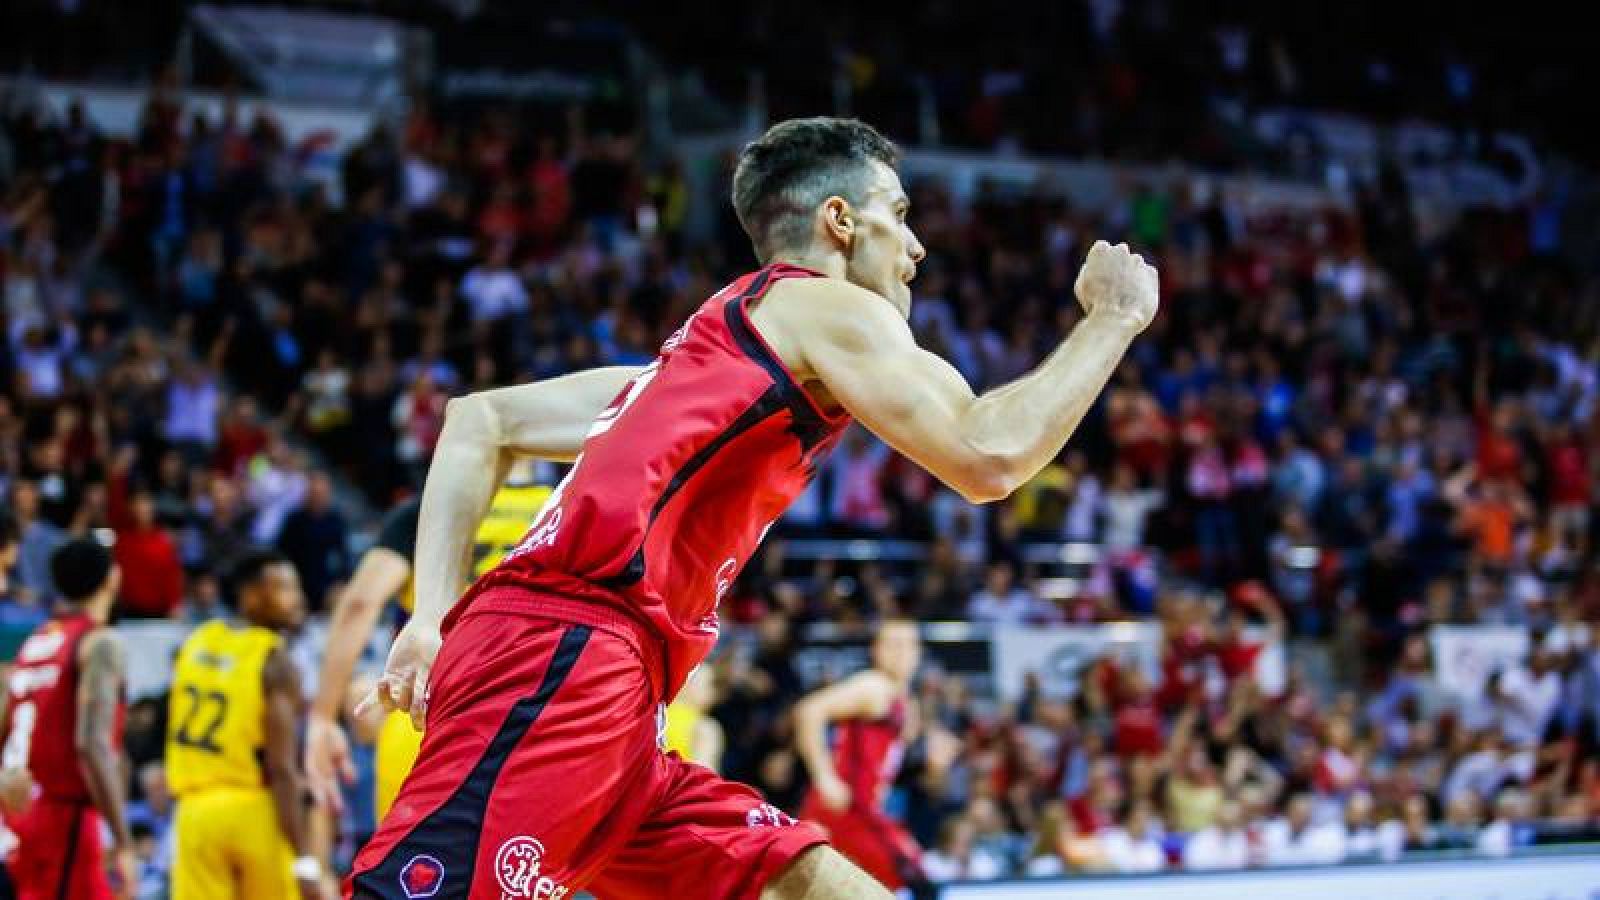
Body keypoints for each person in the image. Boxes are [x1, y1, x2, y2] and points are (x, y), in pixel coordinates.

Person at [350, 116, 1158, 899]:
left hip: (621, 697)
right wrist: (1113, 320)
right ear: (840, 221)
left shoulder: (688, 373)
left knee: (805, 886)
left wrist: (430, 618)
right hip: (563, 653)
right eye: (900, 213)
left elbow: (481, 420)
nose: (915, 247)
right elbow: (990, 454)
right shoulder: (822, 304)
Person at [304, 462, 552, 824]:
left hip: (430, 712)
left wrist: (322, 717)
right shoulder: (563, 507)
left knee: (406, 856)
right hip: (535, 717)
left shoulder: (427, 510)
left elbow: (360, 603)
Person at [165, 549, 330, 898]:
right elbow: (282, 768)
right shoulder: (274, 658)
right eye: (284, 588)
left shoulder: (195, 642)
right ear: (251, 595)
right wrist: (305, 859)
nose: (297, 599)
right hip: (252, 808)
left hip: (193, 813)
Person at [0, 538, 137, 899]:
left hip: (21, 815)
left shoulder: (35, 642)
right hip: (67, 819)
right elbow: (92, 745)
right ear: (111, 577)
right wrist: (123, 841)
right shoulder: (100, 642)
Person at [795, 620, 929, 893]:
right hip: (845, 811)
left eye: (908, 645)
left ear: (918, 653)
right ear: (876, 650)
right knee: (913, 876)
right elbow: (809, 711)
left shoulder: (904, 700)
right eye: (893, 644)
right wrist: (824, 777)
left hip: (864, 812)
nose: (901, 652)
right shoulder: (873, 686)